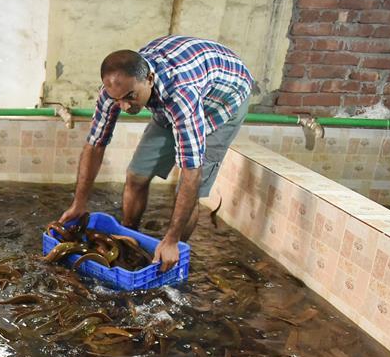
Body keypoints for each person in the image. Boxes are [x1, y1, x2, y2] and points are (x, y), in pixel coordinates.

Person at [58, 35, 253, 272]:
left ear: (149, 79)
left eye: (131, 97)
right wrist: (79, 204)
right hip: (173, 97)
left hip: (224, 100)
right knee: (136, 176)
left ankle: (174, 252)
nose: (126, 107)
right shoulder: (116, 91)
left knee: (188, 190)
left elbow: (192, 171)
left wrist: (170, 239)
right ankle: (130, 235)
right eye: (118, 100)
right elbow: (95, 144)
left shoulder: (181, 95)